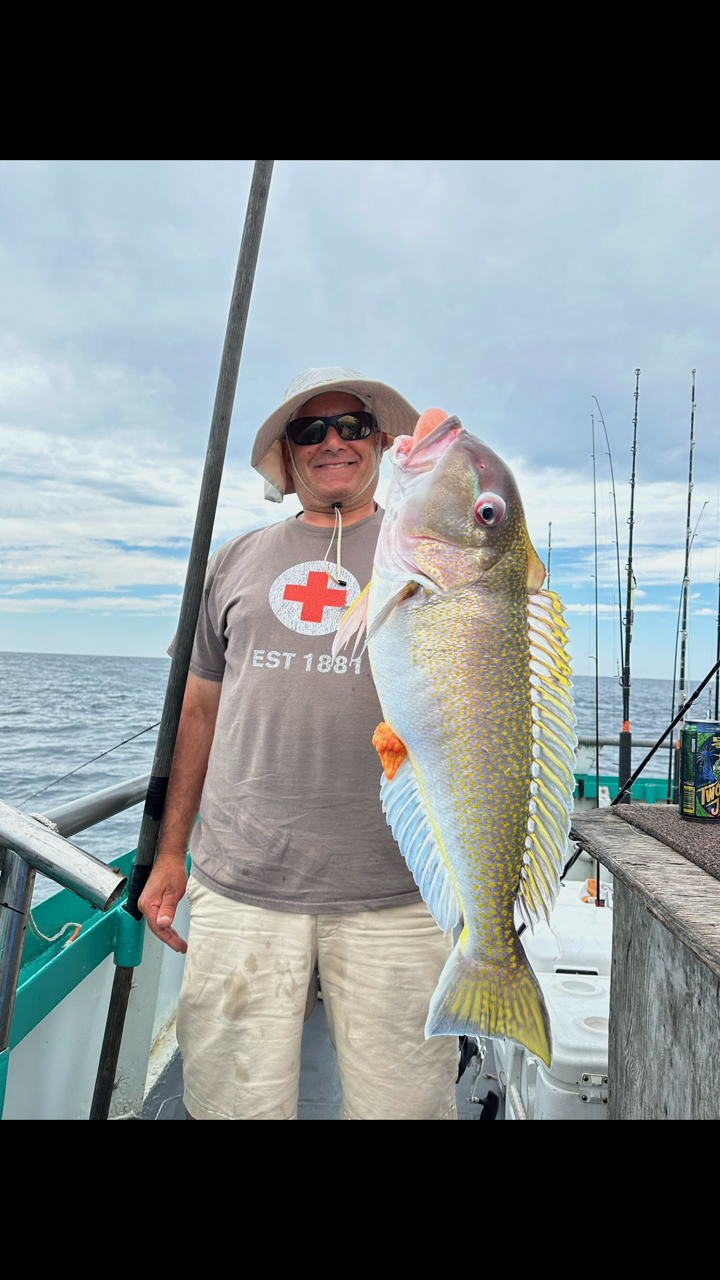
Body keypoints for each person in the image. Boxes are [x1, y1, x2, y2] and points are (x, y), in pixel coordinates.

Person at [139, 367, 458, 1120]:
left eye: (351, 424)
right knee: (229, 1103)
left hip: (402, 888)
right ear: (287, 455)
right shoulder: (235, 560)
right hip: (243, 883)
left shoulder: (433, 556)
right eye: (310, 430)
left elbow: (485, 686)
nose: (333, 442)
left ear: (382, 439)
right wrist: (170, 856)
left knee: (407, 1106)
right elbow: (199, 714)